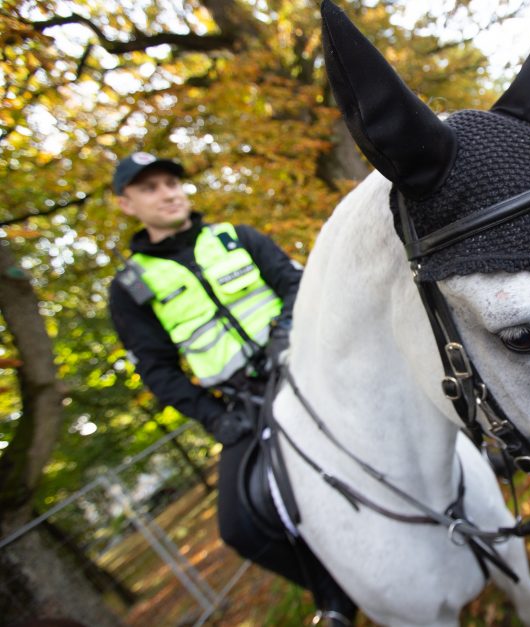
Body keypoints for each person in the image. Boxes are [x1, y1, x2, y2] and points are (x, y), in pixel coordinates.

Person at [107, 152, 356, 625]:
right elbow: (158, 371)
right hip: (246, 404)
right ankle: (332, 593)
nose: (168, 193)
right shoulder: (129, 288)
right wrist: (214, 417)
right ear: (125, 204)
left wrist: (285, 332)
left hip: (307, 361)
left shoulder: (235, 237)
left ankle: (488, 450)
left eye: (171, 182)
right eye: (150, 188)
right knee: (239, 528)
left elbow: (295, 283)